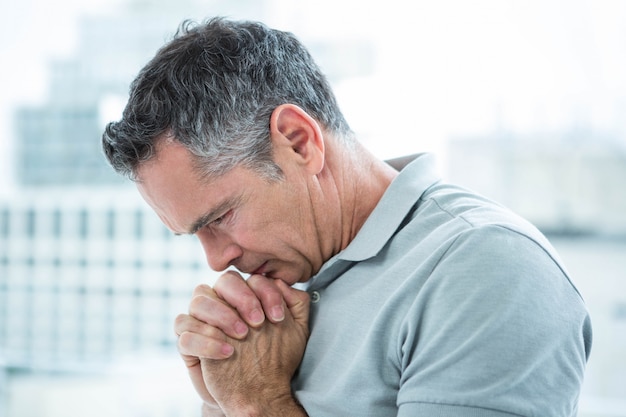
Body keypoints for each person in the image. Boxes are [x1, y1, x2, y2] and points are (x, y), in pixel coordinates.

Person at [101, 17, 592, 417]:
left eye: (221, 217)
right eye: (194, 234)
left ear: (298, 141)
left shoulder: (486, 269)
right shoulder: (279, 297)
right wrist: (219, 396)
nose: (216, 261)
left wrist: (255, 404)